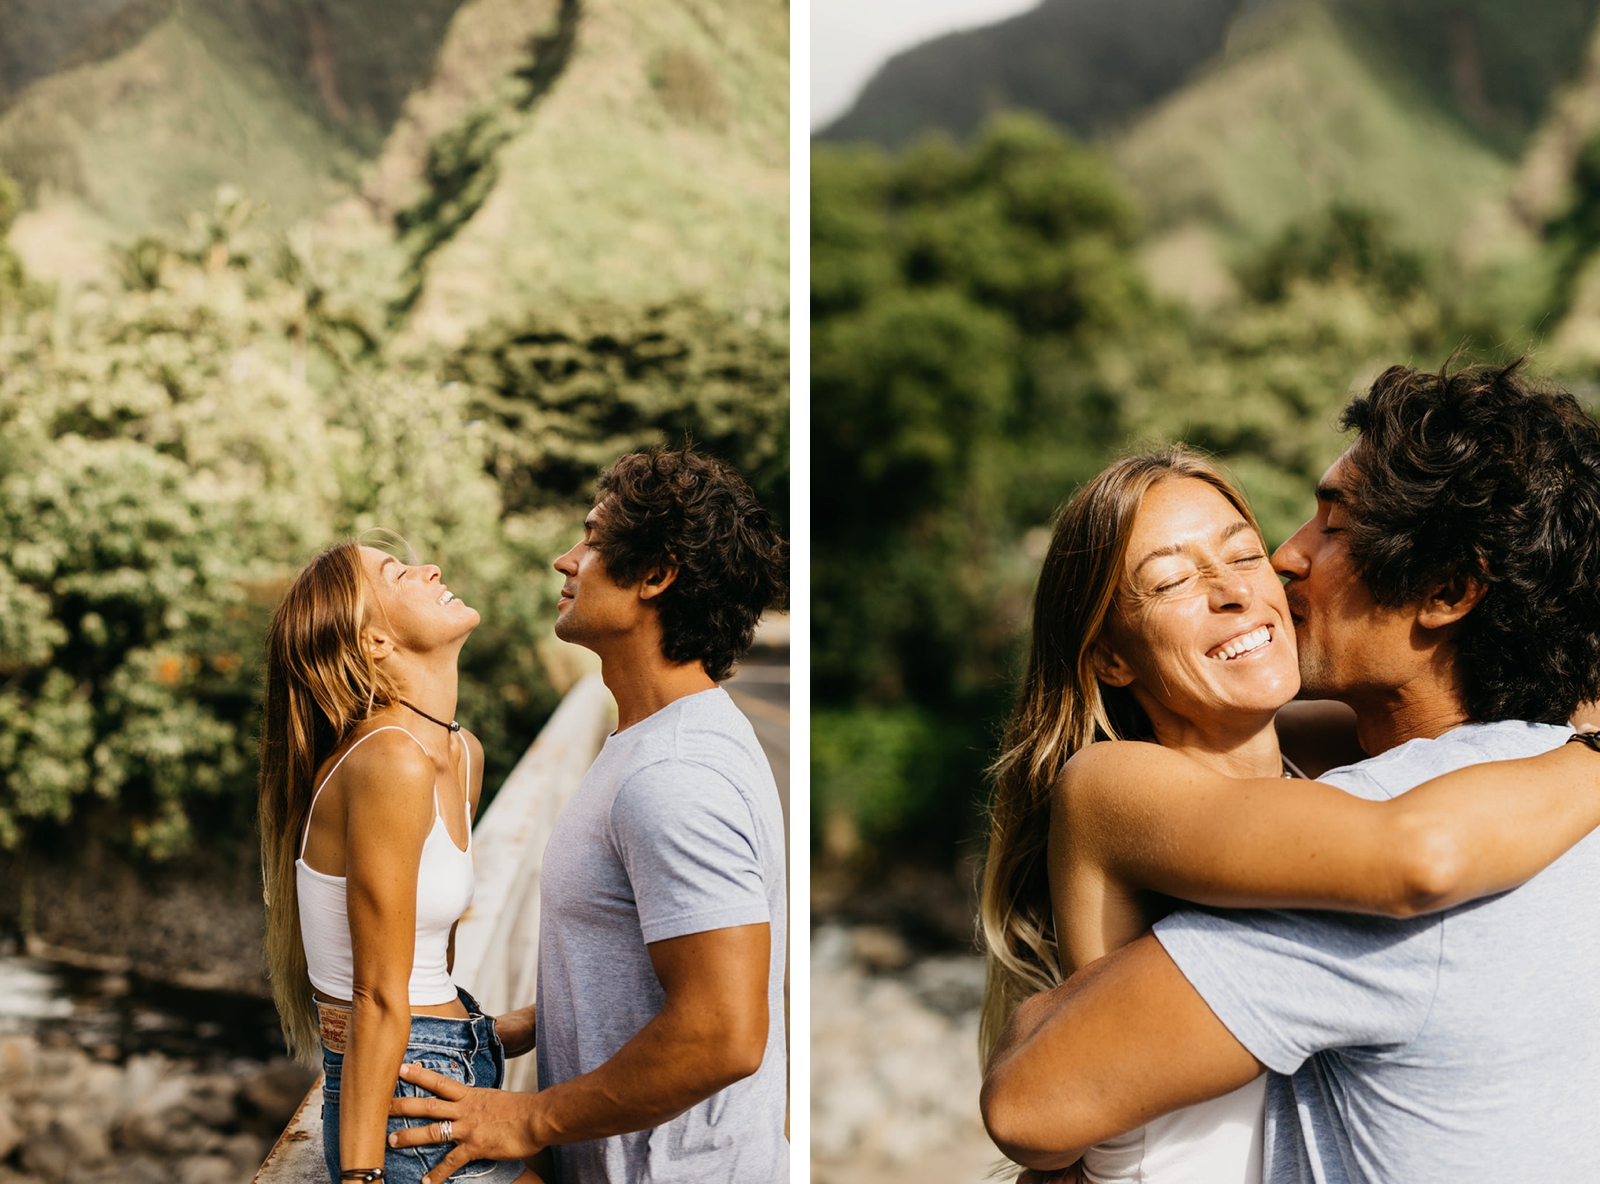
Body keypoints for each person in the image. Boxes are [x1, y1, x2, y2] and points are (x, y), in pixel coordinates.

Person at [980, 360, 1600, 1182]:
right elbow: (1405, 833)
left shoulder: (1350, 796)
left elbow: (1429, 792)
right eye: (1169, 580)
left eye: (1330, 528)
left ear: (1448, 592)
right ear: (1111, 659)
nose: (1277, 564)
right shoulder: (1118, 782)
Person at [388, 446, 790, 1183]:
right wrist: (524, 1025)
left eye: (594, 540)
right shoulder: (657, 740)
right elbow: (655, 959)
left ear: (656, 575)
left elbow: (725, 1034)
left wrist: (527, 1118)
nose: (563, 560)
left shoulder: (675, 774)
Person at [258, 538, 537, 1184]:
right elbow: (377, 997)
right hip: (401, 1103)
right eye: (397, 572)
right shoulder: (389, 760)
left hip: (458, 1060)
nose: (429, 569)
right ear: (375, 643)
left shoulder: (462, 752)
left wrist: (498, 1031)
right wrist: (361, 1177)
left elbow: (424, 970)